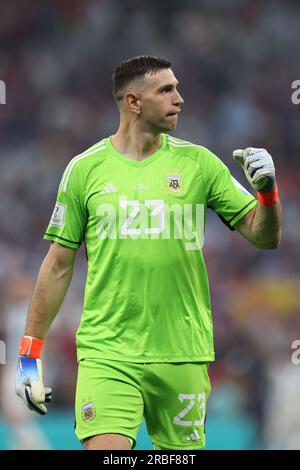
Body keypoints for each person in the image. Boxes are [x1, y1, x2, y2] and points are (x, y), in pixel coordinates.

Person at [15, 55, 282, 450]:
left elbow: (264, 237)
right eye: (167, 90)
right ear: (133, 102)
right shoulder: (85, 170)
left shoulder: (200, 164)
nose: (180, 99)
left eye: (177, 88)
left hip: (182, 352)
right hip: (108, 352)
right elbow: (57, 265)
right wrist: (28, 356)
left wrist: (268, 194)